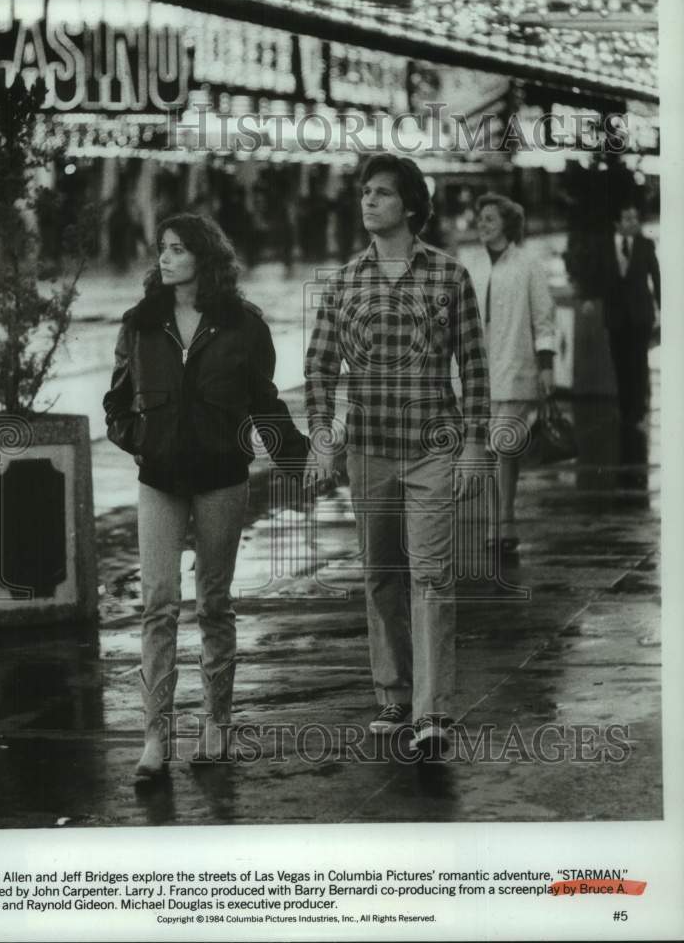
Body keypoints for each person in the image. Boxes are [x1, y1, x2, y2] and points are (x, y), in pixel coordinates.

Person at [103, 213, 308, 781]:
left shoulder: (242, 325)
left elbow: (264, 402)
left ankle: (215, 723)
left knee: (214, 604)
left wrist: (297, 458)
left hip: (222, 476)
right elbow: (117, 401)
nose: (164, 258)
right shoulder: (141, 323)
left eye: (176, 249)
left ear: (204, 257)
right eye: (161, 250)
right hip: (160, 480)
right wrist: (139, 439)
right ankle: (155, 736)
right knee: (158, 604)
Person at [304, 154, 490, 756]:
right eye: (364, 193)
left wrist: (474, 446)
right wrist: (323, 435)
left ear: (410, 205)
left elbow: (475, 367)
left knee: (431, 576)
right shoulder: (345, 281)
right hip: (369, 451)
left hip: (434, 449)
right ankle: (394, 694)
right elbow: (319, 364)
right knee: (382, 575)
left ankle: (433, 710)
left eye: (381, 194)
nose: (368, 202)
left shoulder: (448, 276)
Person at [473, 194, 557, 554]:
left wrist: (547, 365)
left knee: (504, 446)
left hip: (517, 366)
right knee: (489, 450)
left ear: (507, 224)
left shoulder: (527, 265)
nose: (482, 224)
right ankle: (498, 520)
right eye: (480, 218)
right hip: (480, 370)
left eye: (490, 218)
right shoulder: (473, 265)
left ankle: (503, 521)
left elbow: (543, 317)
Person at [585, 204, 661, 427]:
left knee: (639, 362)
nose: (633, 222)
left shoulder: (646, 245)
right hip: (616, 316)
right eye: (627, 218)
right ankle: (625, 411)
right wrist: (589, 298)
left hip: (641, 315)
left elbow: (656, 277)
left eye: (635, 218)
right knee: (620, 364)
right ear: (617, 223)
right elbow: (595, 274)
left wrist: (663, 307)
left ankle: (639, 412)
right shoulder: (604, 246)